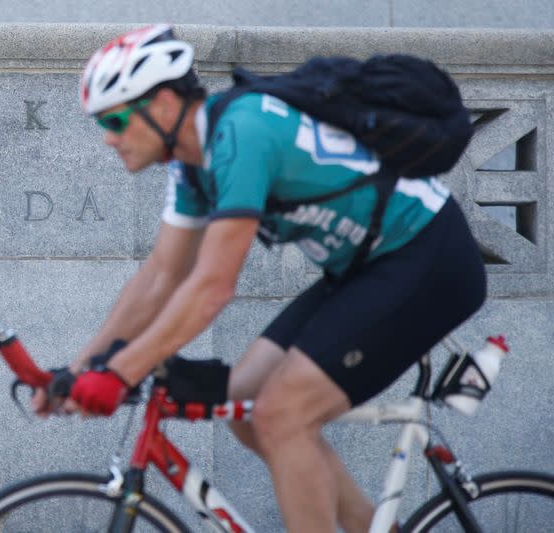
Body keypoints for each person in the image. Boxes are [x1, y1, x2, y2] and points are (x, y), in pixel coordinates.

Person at [32, 24, 486, 533]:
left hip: (428, 257)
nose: (108, 137)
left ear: (161, 105)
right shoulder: (191, 163)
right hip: (364, 268)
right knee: (245, 406)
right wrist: (81, 368)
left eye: (115, 119)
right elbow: (159, 277)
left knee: (281, 413)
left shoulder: (242, 133)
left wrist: (120, 373)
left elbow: (212, 287)